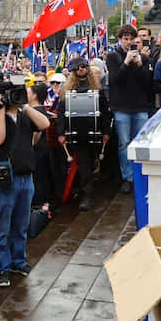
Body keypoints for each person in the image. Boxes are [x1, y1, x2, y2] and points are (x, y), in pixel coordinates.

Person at [0, 77, 50, 286]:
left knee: (21, 225)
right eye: (13, 93)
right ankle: (1, 268)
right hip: (5, 180)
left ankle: (18, 261)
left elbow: (45, 124)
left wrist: (24, 105)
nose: (16, 95)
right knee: (1, 226)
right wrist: (1, 109)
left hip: (26, 178)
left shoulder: (24, 114)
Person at [105, 25, 154, 194]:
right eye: (125, 39)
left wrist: (140, 65)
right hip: (121, 107)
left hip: (140, 106)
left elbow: (148, 84)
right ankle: (128, 177)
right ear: (120, 40)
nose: (128, 42)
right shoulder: (112, 57)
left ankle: (141, 175)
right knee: (124, 144)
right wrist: (126, 63)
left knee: (140, 143)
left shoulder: (144, 59)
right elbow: (115, 81)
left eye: (131, 39)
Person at [61, 57, 112, 211]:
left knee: (93, 162)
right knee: (83, 165)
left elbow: (105, 113)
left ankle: (91, 191)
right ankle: (86, 195)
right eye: (77, 68)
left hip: (95, 132)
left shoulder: (97, 90)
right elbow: (62, 113)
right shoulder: (67, 91)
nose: (81, 69)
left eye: (83, 66)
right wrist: (60, 133)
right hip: (76, 133)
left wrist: (106, 132)